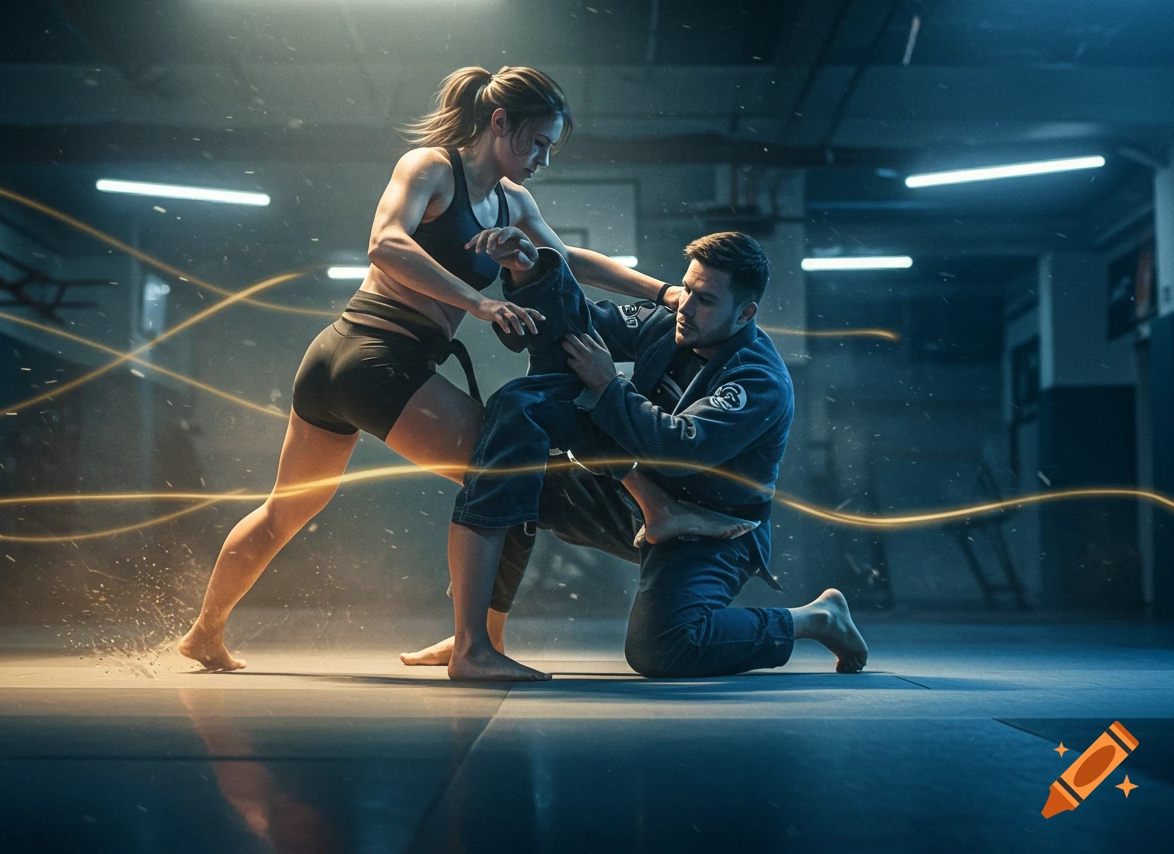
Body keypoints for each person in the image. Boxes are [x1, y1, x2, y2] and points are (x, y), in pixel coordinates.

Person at [177, 66, 742, 681]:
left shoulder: (512, 201)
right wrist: (481, 302)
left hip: (351, 361)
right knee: (508, 475)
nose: (543, 160)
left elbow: (567, 259)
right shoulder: (429, 168)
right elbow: (384, 243)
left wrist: (663, 292)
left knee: (289, 510)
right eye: (538, 143)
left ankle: (205, 633)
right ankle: (474, 649)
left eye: (551, 148)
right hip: (370, 358)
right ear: (499, 123)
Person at [401, 232, 870, 678]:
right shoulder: (668, 323)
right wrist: (528, 272)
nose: (685, 307)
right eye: (686, 290)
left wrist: (608, 385)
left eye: (705, 300)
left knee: (661, 648)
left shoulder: (758, 379)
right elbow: (576, 329)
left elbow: (677, 449)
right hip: (631, 498)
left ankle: (813, 620)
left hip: (712, 528)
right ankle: (479, 637)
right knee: (521, 446)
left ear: (745, 313)